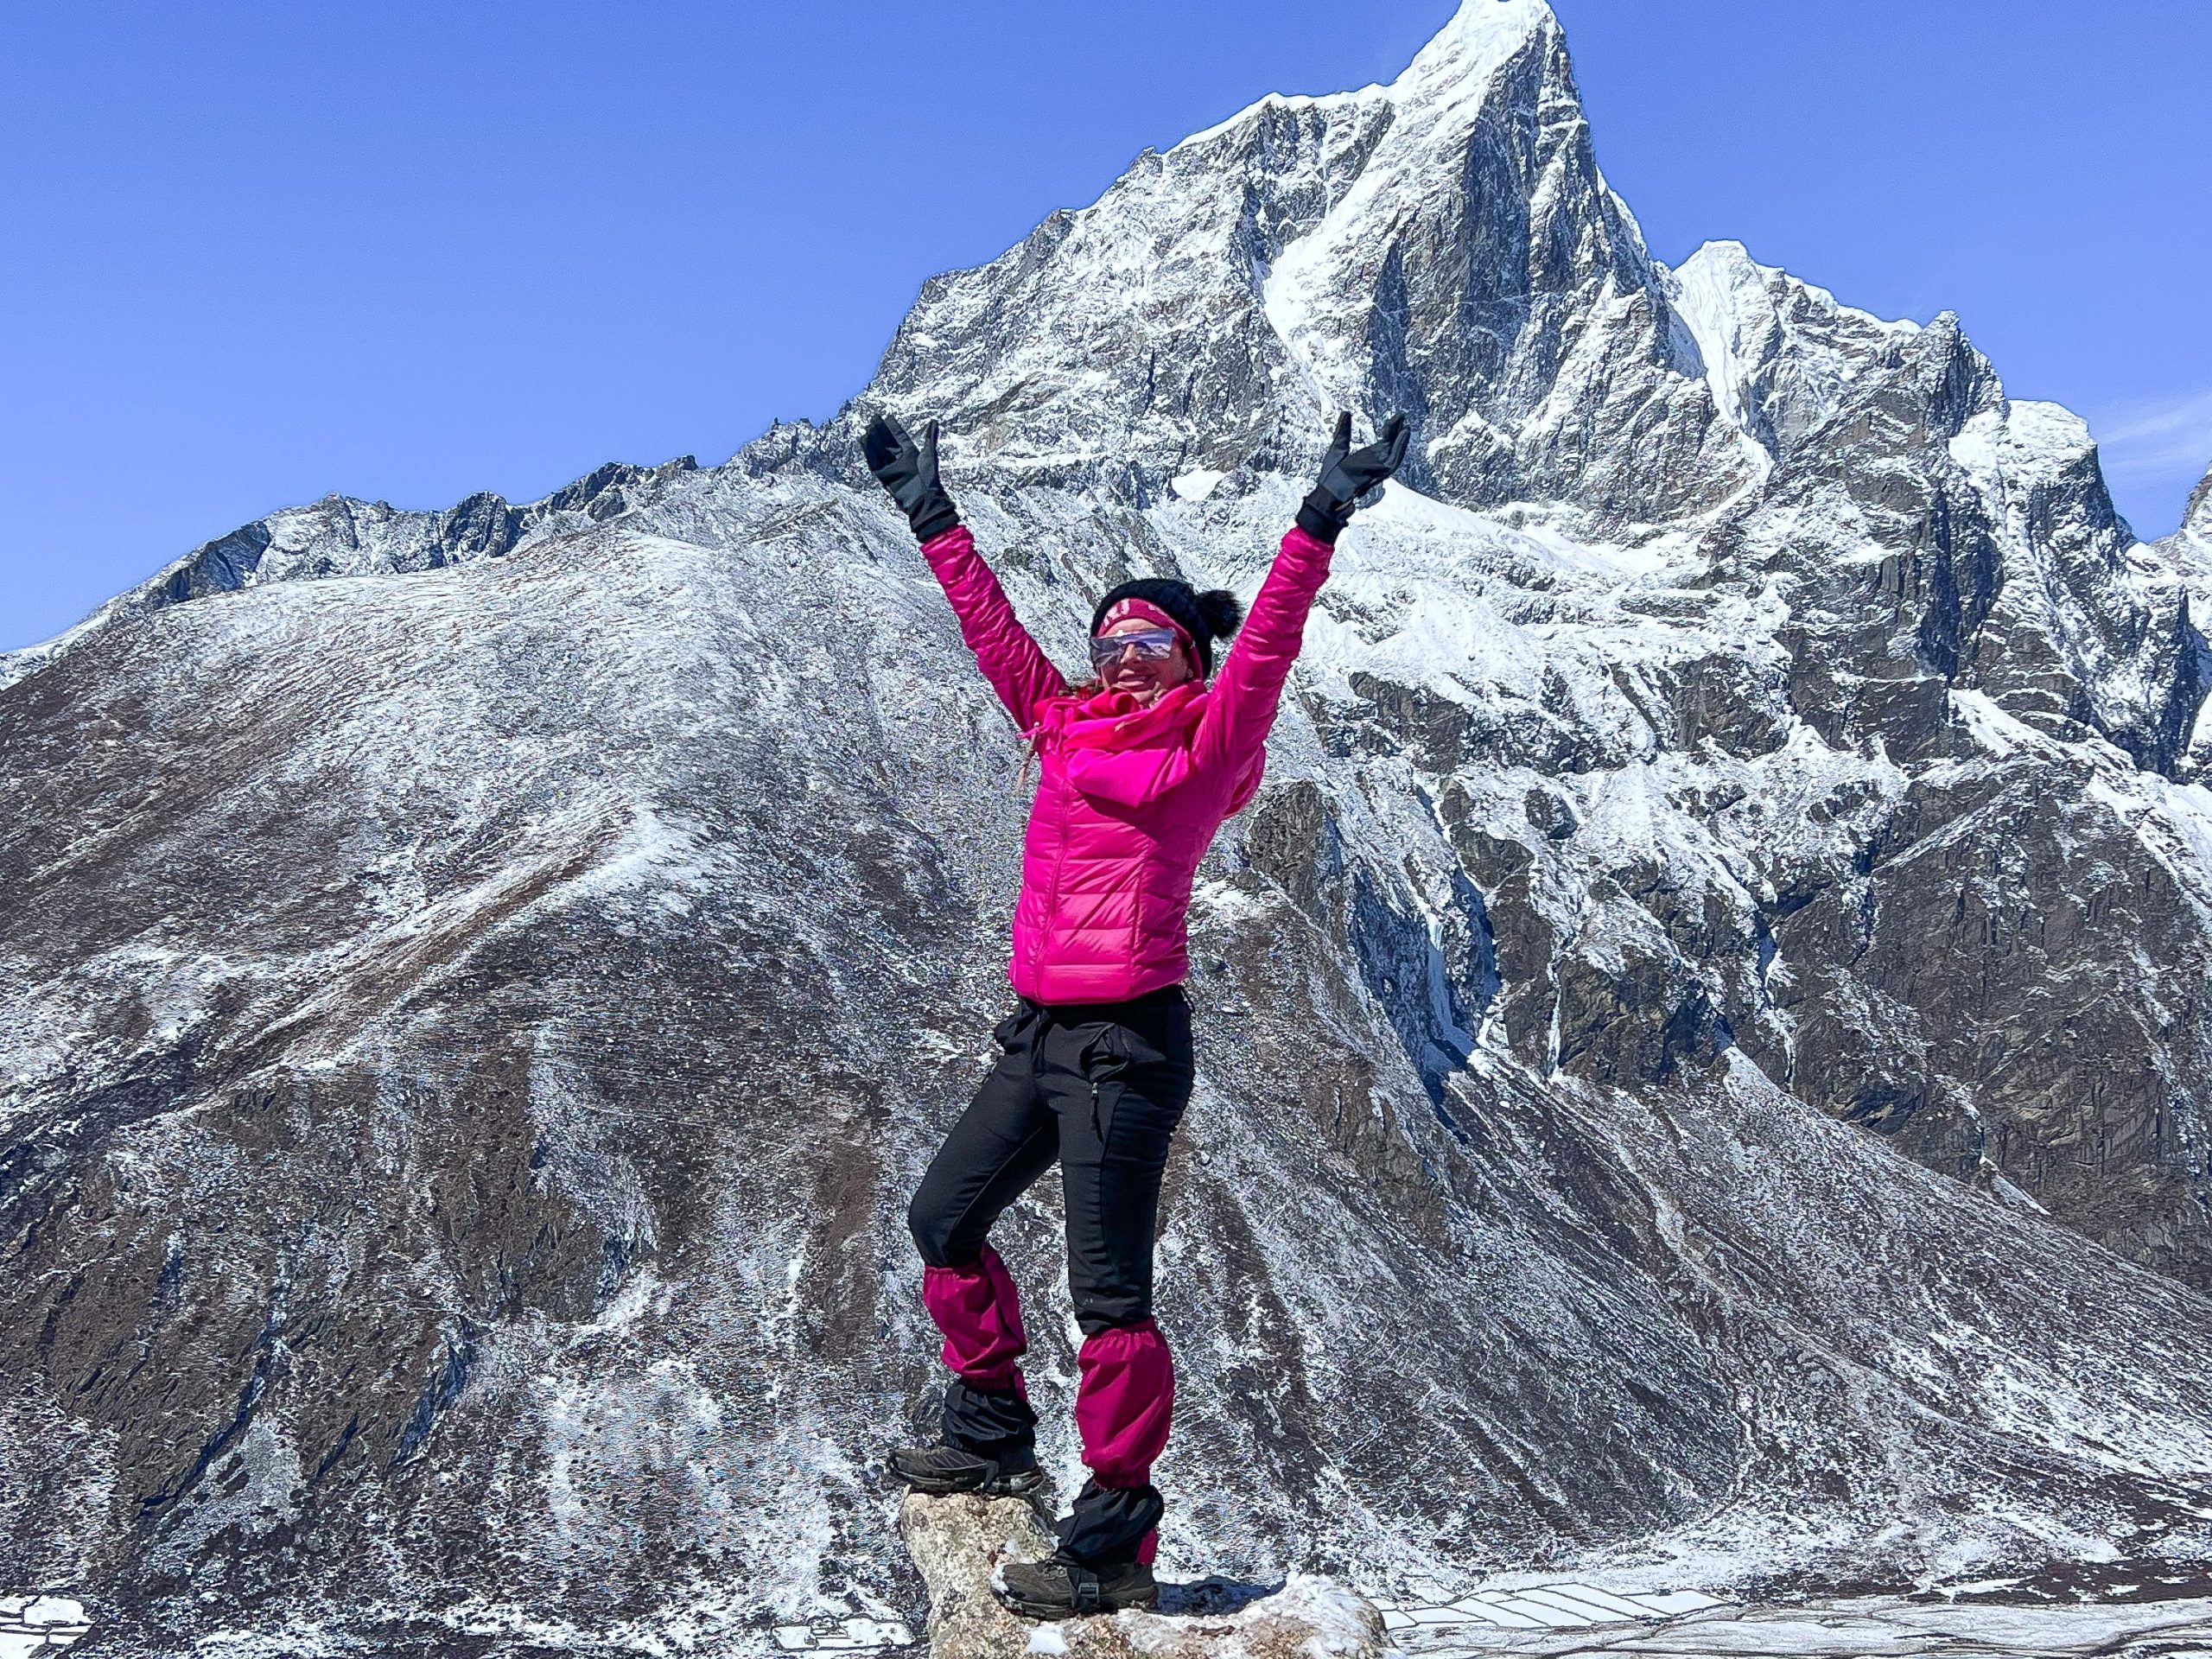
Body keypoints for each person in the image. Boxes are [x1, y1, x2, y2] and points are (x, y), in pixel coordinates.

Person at [863, 409, 1408, 1619]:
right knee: (941, 1219)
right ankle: (993, 1420)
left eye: (1150, 642)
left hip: (1126, 1049)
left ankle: (1113, 1539)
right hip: (1040, 1033)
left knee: (1110, 1303)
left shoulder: (1206, 746)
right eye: (1110, 641)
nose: (1123, 658)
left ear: (1187, 661)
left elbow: (1265, 642)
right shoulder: (1058, 724)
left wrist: (1320, 517)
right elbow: (989, 631)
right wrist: (930, 512)